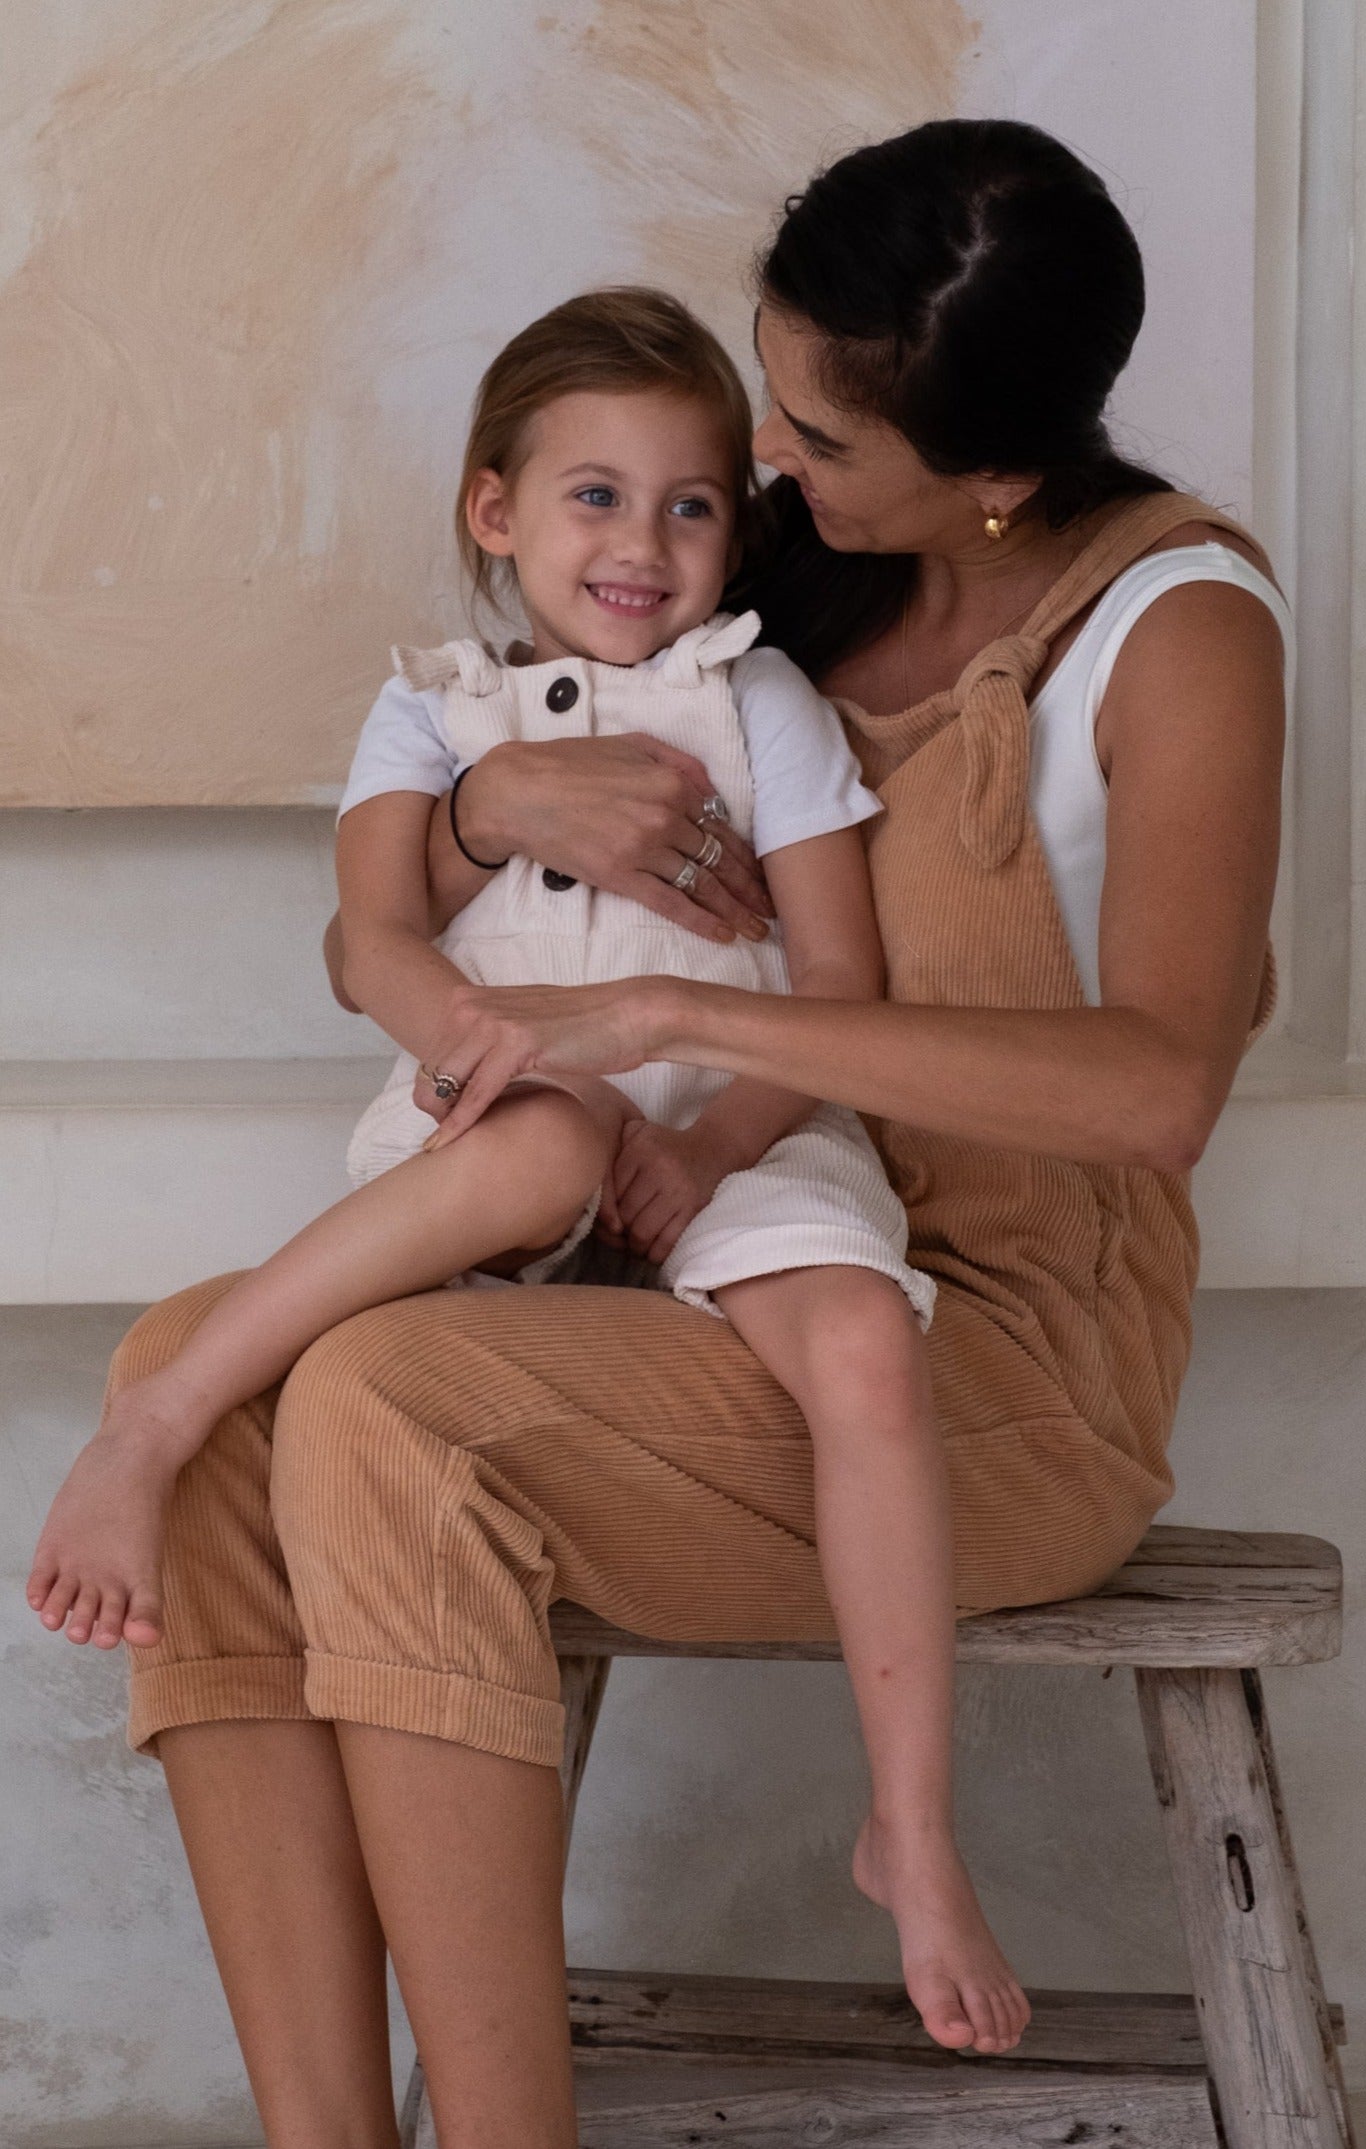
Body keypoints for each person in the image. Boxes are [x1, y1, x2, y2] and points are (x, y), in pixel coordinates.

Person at [27, 117, 1291, 2149]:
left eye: (817, 438)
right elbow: (458, 807)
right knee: (183, 1373)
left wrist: (685, 1022)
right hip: (670, 1255)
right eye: (769, 406)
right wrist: (481, 818)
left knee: (383, 1412)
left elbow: (1157, 1087)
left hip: (990, 1353)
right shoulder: (785, 565)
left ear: (990, 475)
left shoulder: (1177, 630)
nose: (772, 473)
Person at [31, 278, 1016, 2043]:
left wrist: (708, 1147)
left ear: (738, 529)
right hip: (494, 1142)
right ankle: (160, 1424)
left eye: (691, 502)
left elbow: (842, 985)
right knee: (548, 1126)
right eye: (593, 493)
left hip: (740, 1138)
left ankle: (916, 1828)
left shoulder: (761, 699)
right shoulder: (431, 712)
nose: (643, 541)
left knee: (867, 1343)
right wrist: (500, 1065)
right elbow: (380, 945)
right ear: (495, 508)